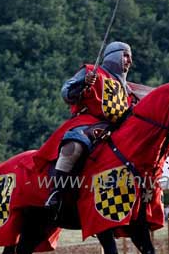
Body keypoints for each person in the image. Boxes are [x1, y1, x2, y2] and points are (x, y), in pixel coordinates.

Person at [43, 41, 135, 218]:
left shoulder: (127, 88)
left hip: (115, 127)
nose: (129, 61)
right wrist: (83, 83)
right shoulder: (92, 72)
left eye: (130, 57)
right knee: (74, 147)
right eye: (125, 55)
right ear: (114, 56)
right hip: (88, 122)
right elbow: (66, 92)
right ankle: (57, 192)